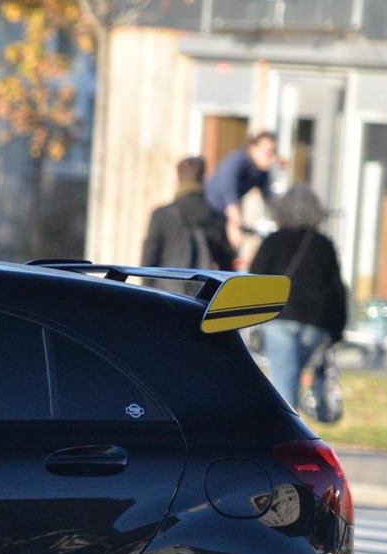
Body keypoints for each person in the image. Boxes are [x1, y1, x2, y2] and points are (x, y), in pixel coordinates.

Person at [248, 185, 348, 415]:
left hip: (280, 318)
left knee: (286, 381)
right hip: (315, 322)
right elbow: (336, 289)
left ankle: (289, 439)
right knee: (291, 377)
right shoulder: (324, 245)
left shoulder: (273, 241)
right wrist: (337, 330)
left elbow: (255, 279)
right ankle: (289, 432)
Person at [139, 156, 235, 270]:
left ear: (177, 179)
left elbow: (149, 259)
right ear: (204, 179)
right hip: (203, 285)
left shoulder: (161, 215)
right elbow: (226, 263)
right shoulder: (216, 217)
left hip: (164, 285)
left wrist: (148, 287)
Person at [205, 131, 278, 267]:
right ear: (252, 148)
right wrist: (236, 224)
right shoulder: (235, 162)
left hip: (226, 217)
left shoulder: (262, 172)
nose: (272, 158)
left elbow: (271, 200)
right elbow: (230, 196)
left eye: (274, 152)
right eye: (268, 152)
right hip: (210, 214)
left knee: (229, 262)